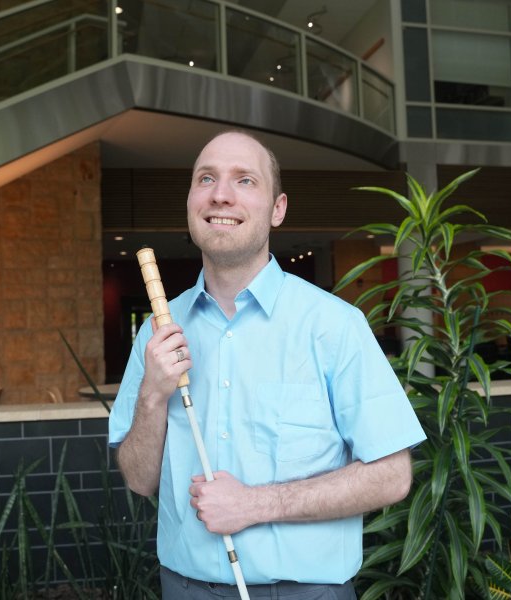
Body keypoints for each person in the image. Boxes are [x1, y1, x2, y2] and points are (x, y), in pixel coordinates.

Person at [108, 129, 426, 599]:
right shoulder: (158, 331)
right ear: (191, 201)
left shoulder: (333, 325)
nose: (221, 195)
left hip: (308, 591)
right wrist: (153, 395)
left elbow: (392, 474)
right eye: (207, 178)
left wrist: (253, 504)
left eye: (245, 181)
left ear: (277, 209)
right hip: (185, 588)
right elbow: (139, 479)